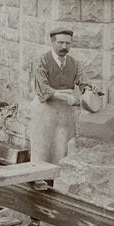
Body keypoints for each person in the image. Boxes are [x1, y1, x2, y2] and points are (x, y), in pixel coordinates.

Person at [27, 23, 93, 164]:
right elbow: (42, 89)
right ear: (52, 42)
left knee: (63, 146)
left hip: (66, 113)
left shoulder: (75, 63)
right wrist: (65, 97)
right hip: (45, 108)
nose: (64, 47)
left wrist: (88, 92)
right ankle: (39, 176)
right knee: (43, 145)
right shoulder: (41, 61)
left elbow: (83, 82)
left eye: (67, 43)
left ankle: (58, 178)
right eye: (60, 43)